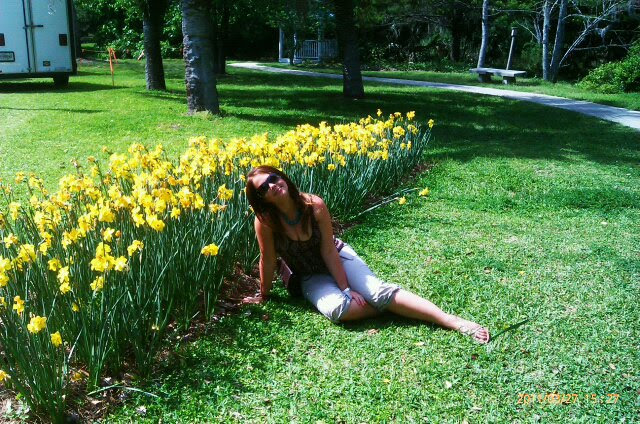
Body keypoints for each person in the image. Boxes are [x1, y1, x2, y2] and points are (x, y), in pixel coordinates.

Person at [244, 166, 490, 344]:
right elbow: (268, 259)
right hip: (309, 274)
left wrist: (345, 288)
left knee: (378, 292)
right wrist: (263, 294)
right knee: (338, 310)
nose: (272, 185)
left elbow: (328, 249)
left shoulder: (313, 205)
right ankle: (397, 307)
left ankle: (451, 321)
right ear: (261, 198)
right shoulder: (265, 222)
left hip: (338, 257)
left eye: (273, 178)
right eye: (263, 187)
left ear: (282, 177)